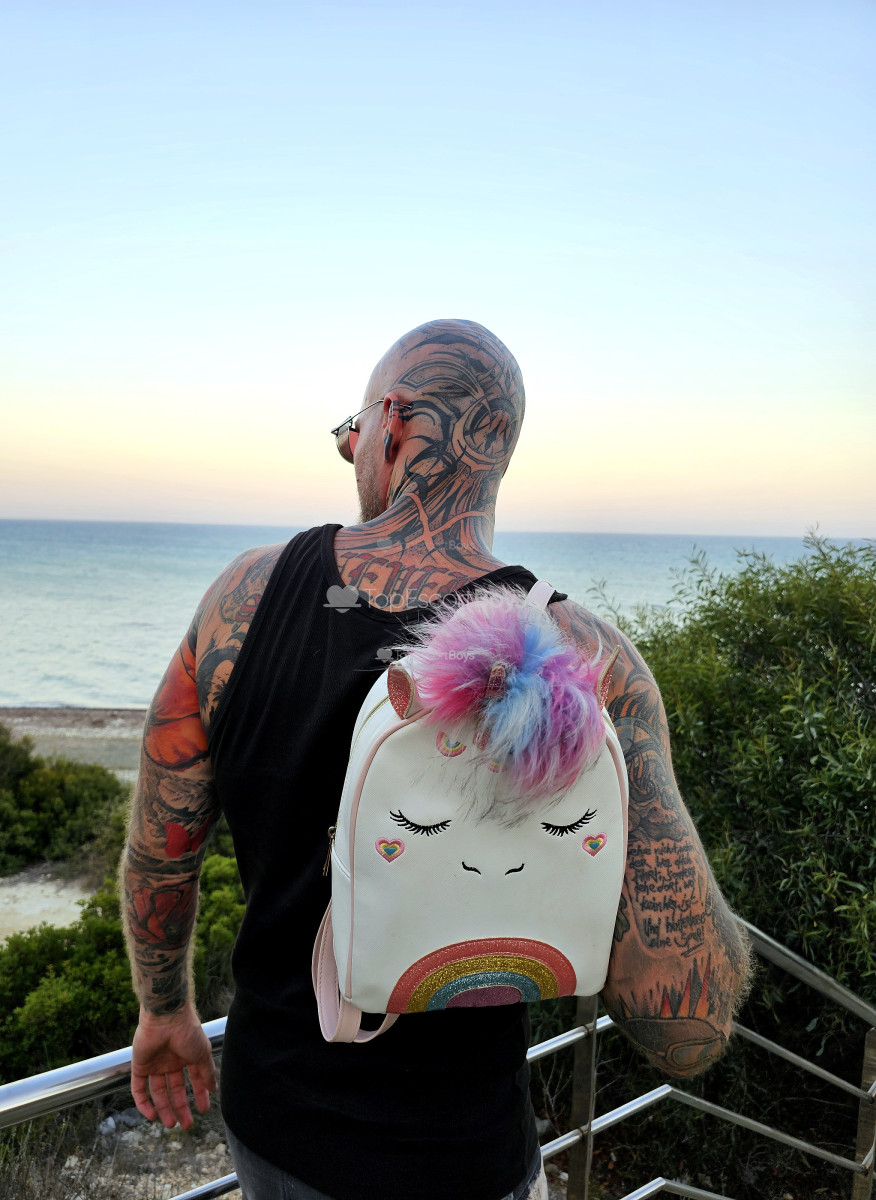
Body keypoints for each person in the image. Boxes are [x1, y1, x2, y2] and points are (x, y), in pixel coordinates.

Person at [122, 318, 751, 1200]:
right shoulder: (586, 656)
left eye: (350, 433)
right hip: (463, 1155)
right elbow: (687, 1028)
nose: (350, 453)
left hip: (275, 1127)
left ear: (390, 422)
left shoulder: (242, 598)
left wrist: (164, 1010)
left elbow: (162, 849)